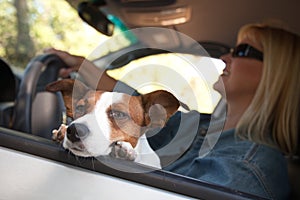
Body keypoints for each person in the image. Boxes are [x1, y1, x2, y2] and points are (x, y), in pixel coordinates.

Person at [45, 23, 300, 199]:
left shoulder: (250, 166)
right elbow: (134, 109)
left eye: (242, 51)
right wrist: (84, 67)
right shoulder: (201, 126)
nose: (226, 56)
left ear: (278, 73)